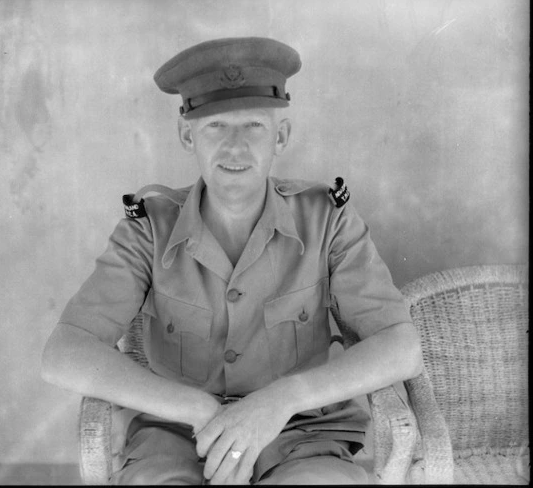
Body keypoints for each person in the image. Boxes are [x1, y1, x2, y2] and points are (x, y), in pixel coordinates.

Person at [41, 37, 423, 485]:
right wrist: (194, 407)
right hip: (177, 437)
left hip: (300, 433)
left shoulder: (328, 220)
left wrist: (281, 399)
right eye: (215, 126)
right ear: (188, 135)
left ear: (281, 136)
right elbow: (64, 353)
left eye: (254, 127)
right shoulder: (149, 229)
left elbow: (401, 345)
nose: (235, 147)